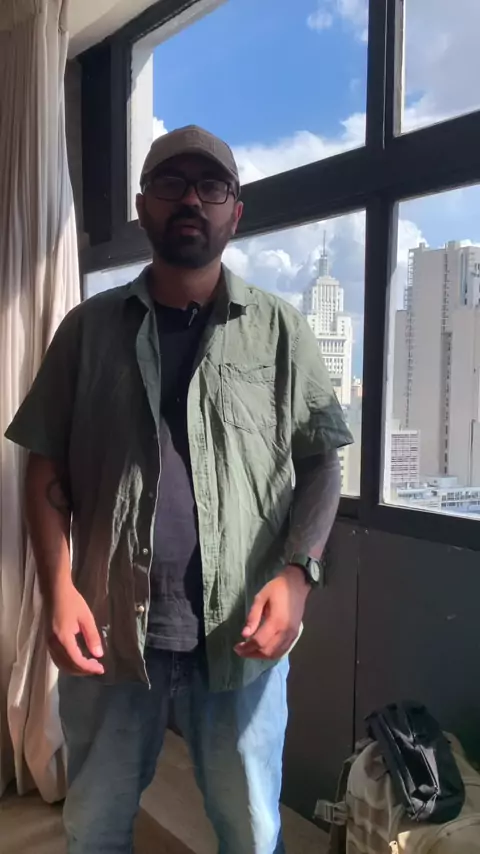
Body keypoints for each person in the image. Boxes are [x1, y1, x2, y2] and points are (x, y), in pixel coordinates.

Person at [6, 125, 353, 854]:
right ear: (143, 208)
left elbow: (323, 463)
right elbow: (44, 465)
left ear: (235, 213)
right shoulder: (86, 330)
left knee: (250, 832)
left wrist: (299, 575)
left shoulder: (282, 332)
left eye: (211, 186)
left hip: (242, 640)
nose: (191, 199)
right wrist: (58, 589)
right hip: (108, 632)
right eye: (171, 184)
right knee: (95, 828)